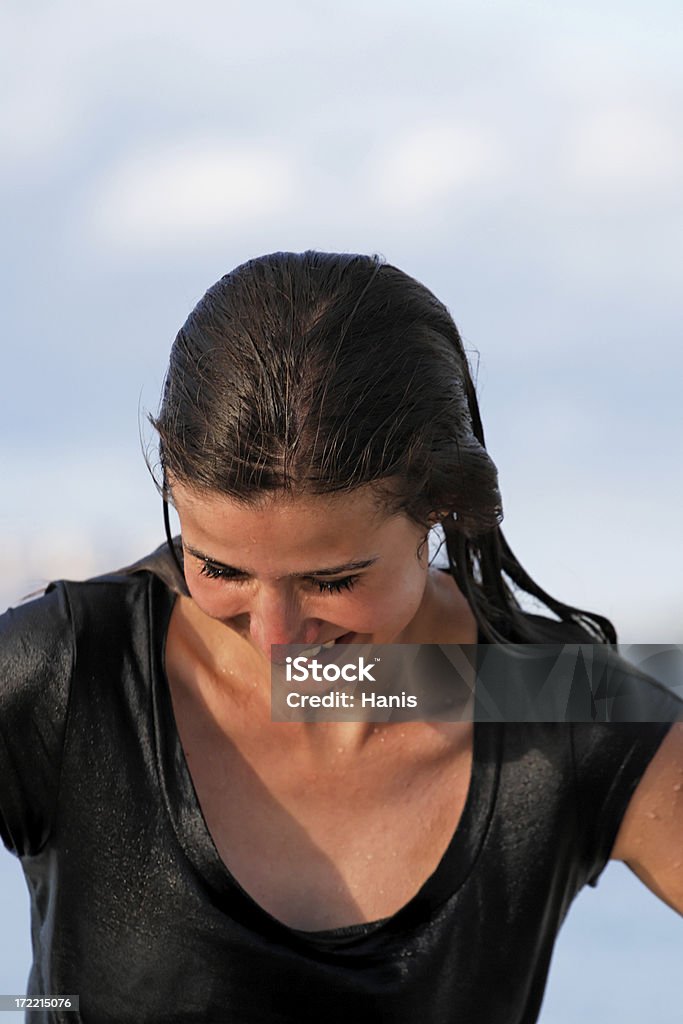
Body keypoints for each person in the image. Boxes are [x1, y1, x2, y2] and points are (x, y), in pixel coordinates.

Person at [0, 250, 681, 1023]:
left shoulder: (556, 699)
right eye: (220, 567)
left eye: (331, 581)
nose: (277, 637)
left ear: (442, 508)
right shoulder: (67, 676)